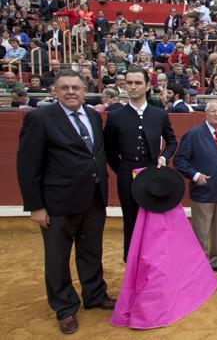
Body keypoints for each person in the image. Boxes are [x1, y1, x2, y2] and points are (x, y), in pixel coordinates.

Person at [16, 70, 115, 334]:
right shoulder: (39, 118)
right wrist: (35, 206)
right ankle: (65, 307)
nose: (71, 92)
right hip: (57, 202)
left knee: (91, 250)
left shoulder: (93, 116)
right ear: (54, 91)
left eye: (76, 87)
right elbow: (27, 165)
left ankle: (94, 295)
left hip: (93, 198)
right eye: (64, 88)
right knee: (58, 258)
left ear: (85, 90)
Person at [104, 67, 178, 262]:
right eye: (129, 83)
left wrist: (164, 157)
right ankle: (131, 261)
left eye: (138, 83)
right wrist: (122, 171)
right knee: (130, 219)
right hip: (128, 173)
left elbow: (171, 142)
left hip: (153, 171)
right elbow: (109, 150)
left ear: (147, 86)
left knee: (155, 220)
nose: (133, 87)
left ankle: (155, 259)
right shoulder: (116, 116)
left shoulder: (159, 114)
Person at [174, 100, 217, 274]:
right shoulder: (194, 134)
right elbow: (179, 160)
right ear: (206, 113)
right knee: (201, 231)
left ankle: (215, 261)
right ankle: (200, 265)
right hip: (203, 192)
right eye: (213, 111)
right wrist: (196, 176)